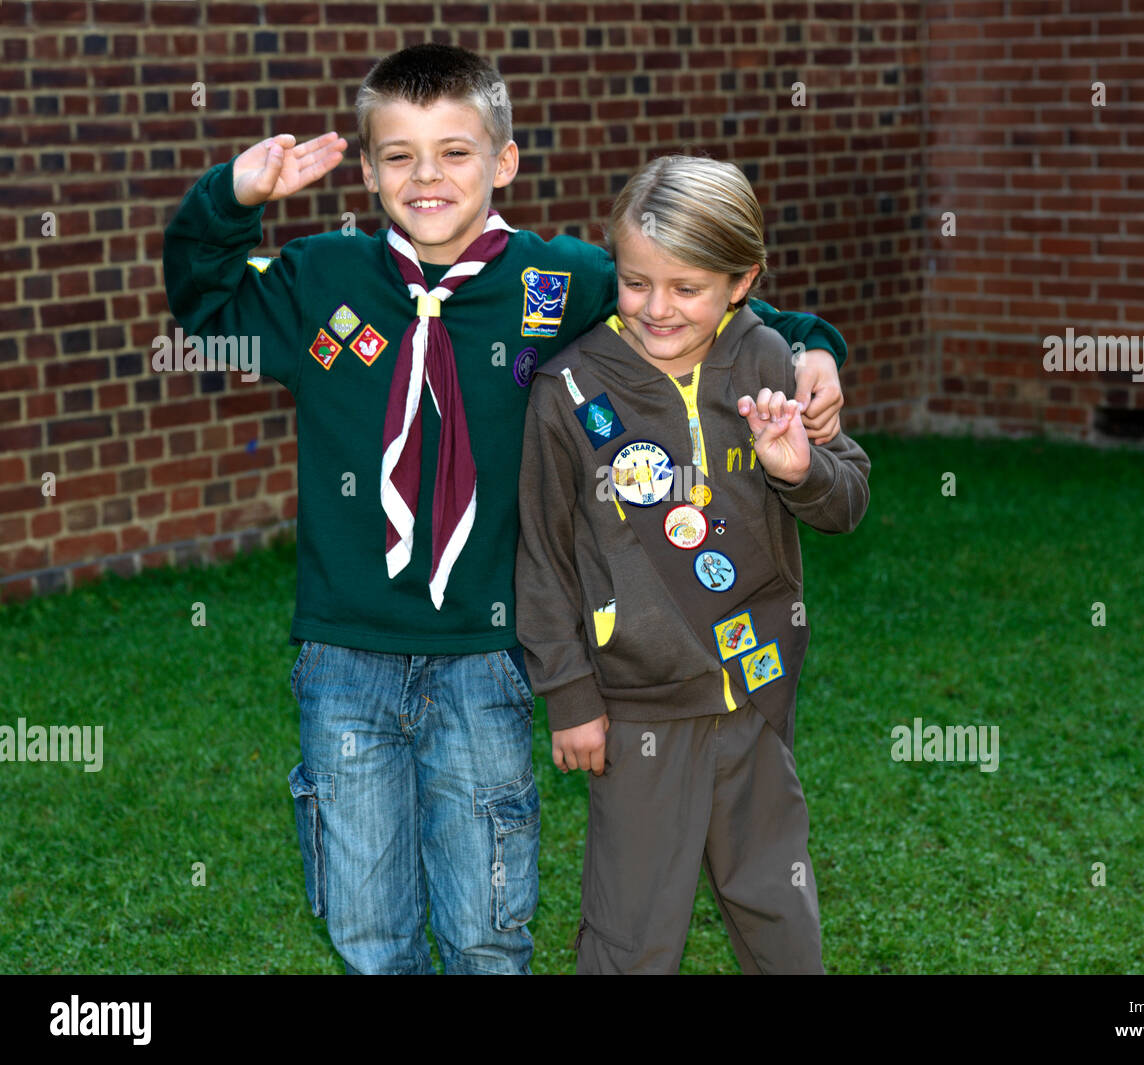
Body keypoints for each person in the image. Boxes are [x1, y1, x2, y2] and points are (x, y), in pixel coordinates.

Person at [163, 43, 850, 974]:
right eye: (398, 154)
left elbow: (697, 298)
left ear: (505, 161)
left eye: (455, 150)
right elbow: (204, 307)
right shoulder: (320, 278)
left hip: (488, 658)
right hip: (344, 649)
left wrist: (814, 350)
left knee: (488, 915)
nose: (427, 175)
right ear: (365, 170)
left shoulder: (559, 282)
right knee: (366, 921)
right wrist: (230, 200)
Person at [515, 154, 871, 974]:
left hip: (756, 693)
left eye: (687, 287)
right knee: (630, 932)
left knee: (778, 908)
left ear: (742, 280)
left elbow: (847, 500)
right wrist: (569, 695)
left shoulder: (771, 362)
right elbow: (540, 559)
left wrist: (798, 470)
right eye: (636, 283)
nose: (657, 309)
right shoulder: (568, 390)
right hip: (637, 707)